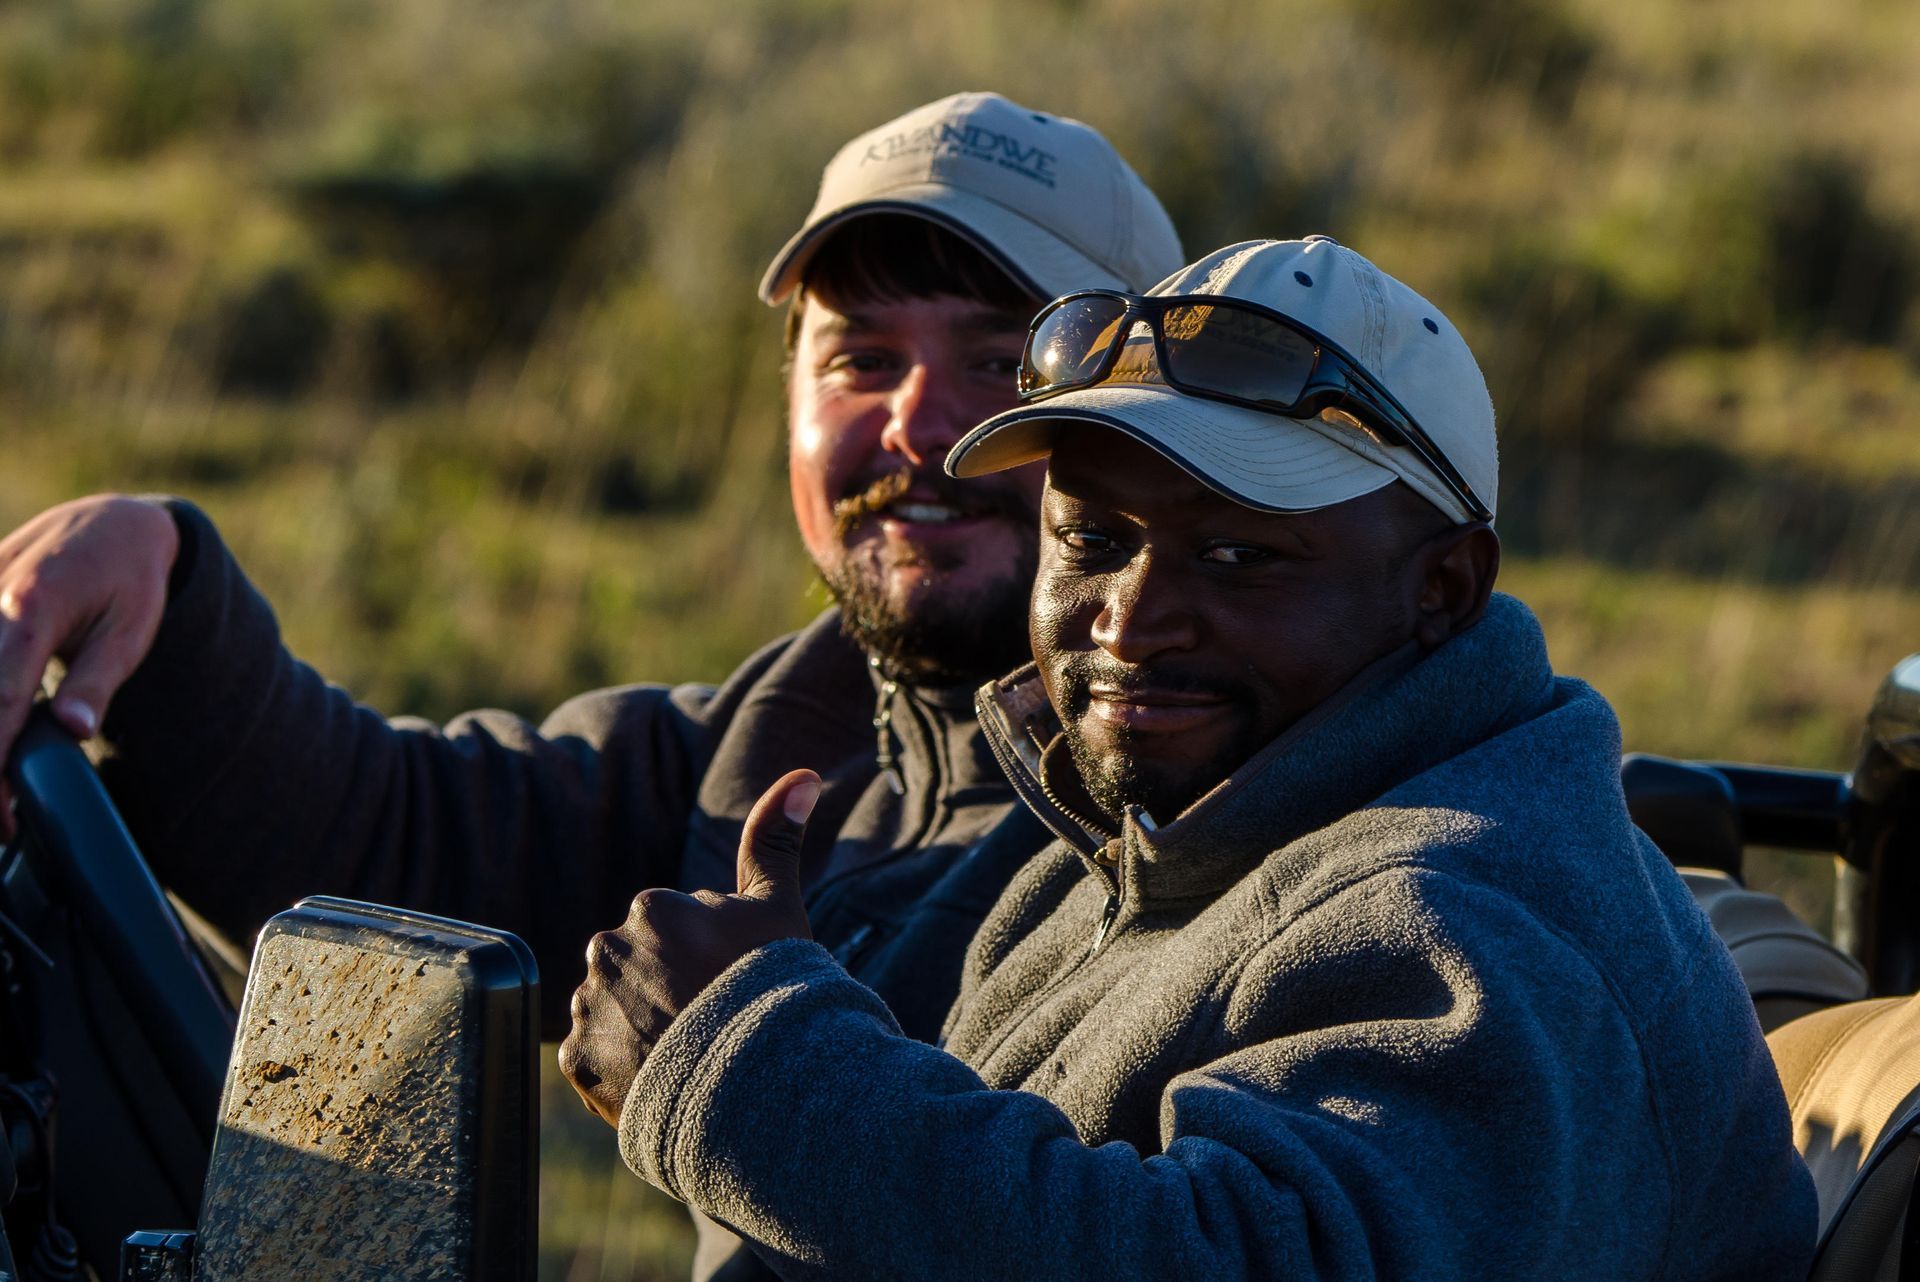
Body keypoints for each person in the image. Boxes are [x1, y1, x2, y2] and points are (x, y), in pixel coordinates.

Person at [0, 92, 1181, 1280]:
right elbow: (389, 845)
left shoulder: (1211, 815)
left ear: (1153, 429)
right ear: (786, 400)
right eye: (861, 359)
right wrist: (156, 577)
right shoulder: (789, 730)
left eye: (999, 359)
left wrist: (748, 1052)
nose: (917, 422)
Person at [560, 237, 1818, 1280]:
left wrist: (750, 1062)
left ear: (1441, 586)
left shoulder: (1473, 923)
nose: (1128, 618)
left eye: (1240, 556)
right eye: (1093, 537)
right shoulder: (1139, 847)